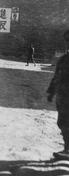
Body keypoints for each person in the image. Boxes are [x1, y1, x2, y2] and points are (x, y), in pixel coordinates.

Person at [47, 30, 69, 159]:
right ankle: (67, 149)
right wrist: (51, 91)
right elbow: (57, 77)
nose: (67, 43)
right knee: (63, 122)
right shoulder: (64, 59)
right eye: (67, 40)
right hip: (63, 98)